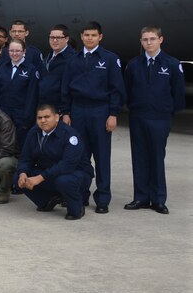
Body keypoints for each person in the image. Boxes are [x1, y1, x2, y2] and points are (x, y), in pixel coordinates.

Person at [61, 21, 125, 213]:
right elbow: (65, 88)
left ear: (100, 37)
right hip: (78, 111)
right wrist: (65, 112)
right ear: (81, 37)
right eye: (86, 35)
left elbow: (117, 89)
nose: (89, 38)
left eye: (93, 35)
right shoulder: (73, 59)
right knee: (80, 157)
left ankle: (103, 199)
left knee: (102, 156)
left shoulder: (110, 59)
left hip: (100, 111)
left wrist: (113, 114)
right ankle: (81, 195)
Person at [122, 27, 185, 214]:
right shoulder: (134, 64)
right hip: (138, 117)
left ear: (161, 40)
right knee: (139, 157)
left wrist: (167, 112)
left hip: (160, 118)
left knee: (157, 158)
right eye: (145, 39)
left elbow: (178, 93)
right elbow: (127, 89)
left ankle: (158, 199)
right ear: (141, 41)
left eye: (152, 39)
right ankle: (141, 197)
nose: (148, 43)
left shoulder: (172, 64)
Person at [15, 104, 93, 220]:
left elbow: (67, 165)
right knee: (18, 176)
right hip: (49, 173)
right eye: (40, 118)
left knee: (63, 181)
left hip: (76, 174)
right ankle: (47, 201)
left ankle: (77, 208)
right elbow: (26, 158)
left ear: (57, 117)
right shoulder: (34, 132)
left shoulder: (70, 135)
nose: (43, 121)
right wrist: (22, 173)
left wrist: (40, 177)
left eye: (47, 117)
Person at [0, 38, 39, 148]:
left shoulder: (30, 69)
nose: (14, 53)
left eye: (18, 51)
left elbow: (32, 95)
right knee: (3, 143)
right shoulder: (2, 68)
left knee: (21, 145)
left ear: (24, 51)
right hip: (3, 113)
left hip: (21, 115)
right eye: (11, 50)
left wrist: (27, 117)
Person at [39, 24, 74, 109]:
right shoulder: (48, 57)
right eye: (51, 37)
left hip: (60, 109)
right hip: (44, 107)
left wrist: (66, 111)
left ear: (66, 39)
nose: (54, 40)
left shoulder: (73, 59)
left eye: (58, 38)